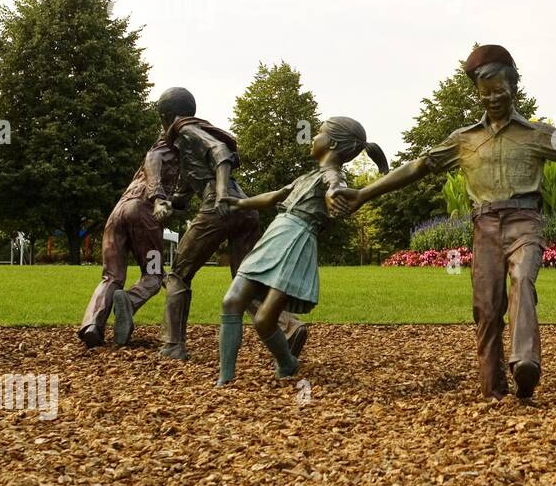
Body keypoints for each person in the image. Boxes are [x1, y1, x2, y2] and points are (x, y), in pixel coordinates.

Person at [332, 45, 556, 400]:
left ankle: (525, 361)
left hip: (524, 221)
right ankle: (492, 388)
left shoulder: (538, 134)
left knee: (523, 278)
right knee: (486, 307)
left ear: (513, 88)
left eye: (500, 91)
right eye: (485, 95)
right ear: (477, 96)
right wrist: (363, 194)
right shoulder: (463, 139)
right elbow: (417, 167)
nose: (493, 99)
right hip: (483, 226)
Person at [216, 117, 386, 385]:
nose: (312, 138)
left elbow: (336, 185)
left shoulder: (332, 175)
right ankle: (225, 378)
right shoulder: (307, 176)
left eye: (317, 133)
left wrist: (334, 193)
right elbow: (274, 196)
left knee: (264, 320)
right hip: (276, 234)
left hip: (297, 241)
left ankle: (287, 362)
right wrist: (239, 203)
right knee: (231, 301)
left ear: (330, 143)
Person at [154, 88, 306, 360]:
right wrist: (164, 204)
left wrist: (221, 192)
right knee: (243, 281)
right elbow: (182, 197)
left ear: (167, 116)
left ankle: (172, 346)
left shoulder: (186, 131)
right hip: (244, 208)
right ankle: (288, 326)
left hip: (220, 203)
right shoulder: (189, 149)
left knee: (178, 274)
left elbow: (220, 152)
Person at [77, 136, 179, 348]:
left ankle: (92, 325)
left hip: (117, 213)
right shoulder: (171, 147)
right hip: (143, 212)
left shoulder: (157, 151)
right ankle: (129, 302)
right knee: (153, 275)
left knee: (111, 276)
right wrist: (158, 198)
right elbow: (153, 157)